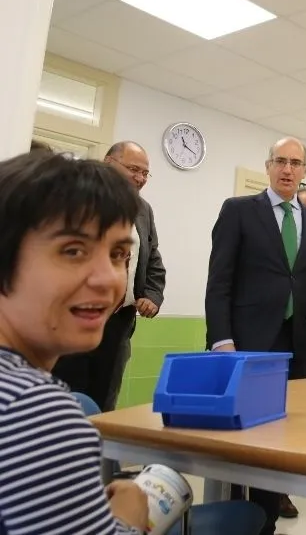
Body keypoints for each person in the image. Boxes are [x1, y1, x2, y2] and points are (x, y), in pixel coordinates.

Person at [0, 152, 264, 534]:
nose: (109, 279)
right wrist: (127, 515)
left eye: (119, 255)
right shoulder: (36, 413)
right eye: (73, 251)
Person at [205, 136, 306, 534]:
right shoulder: (240, 211)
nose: (287, 169)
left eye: (296, 163)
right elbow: (219, 281)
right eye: (280, 161)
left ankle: (265, 523)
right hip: (244, 345)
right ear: (268, 166)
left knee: (279, 439)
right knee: (240, 440)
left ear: (305, 171)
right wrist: (221, 339)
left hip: (296, 346)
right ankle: (233, 519)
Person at [52, 141, 166, 412]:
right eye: (133, 169)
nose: (139, 178)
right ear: (108, 163)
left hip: (118, 323)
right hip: (74, 317)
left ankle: (98, 452)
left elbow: (154, 261)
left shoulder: (143, 210)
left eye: (145, 173)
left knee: (104, 402)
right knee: (68, 396)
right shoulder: (77, 202)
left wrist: (151, 294)